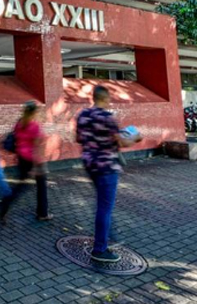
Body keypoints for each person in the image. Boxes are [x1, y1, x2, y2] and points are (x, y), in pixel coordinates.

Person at [76, 85, 142, 263]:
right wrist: (136, 137)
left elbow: (78, 139)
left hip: (90, 164)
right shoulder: (108, 117)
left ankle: (107, 233)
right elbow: (123, 143)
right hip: (106, 167)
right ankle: (100, 249)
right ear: (105, 98)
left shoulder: (82, 116)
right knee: (104, 207)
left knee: (103, 204)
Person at [0, 100, 52, 224]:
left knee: (21, 185)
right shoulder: (35, 126)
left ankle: (6, 202)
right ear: (34, 112)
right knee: (40, 186)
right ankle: (42, 214)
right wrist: (37, 165)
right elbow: (37, 146)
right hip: (34, 160)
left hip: (22, 159)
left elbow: (17, 140)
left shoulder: (19, 123)